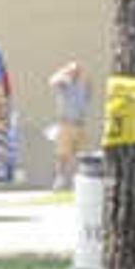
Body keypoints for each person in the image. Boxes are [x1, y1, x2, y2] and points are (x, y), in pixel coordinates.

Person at [48, 58, 91, 190]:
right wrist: (65, 71)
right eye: (73, 71)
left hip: (80, 124)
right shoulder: (64, 85)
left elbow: (87, 97)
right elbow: (52, 81)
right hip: (66, 124)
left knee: (82, 154)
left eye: (77, 71)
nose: (75, 74)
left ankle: (80, 179)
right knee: (62, 154)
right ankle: (60, 179)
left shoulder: (82, 86)